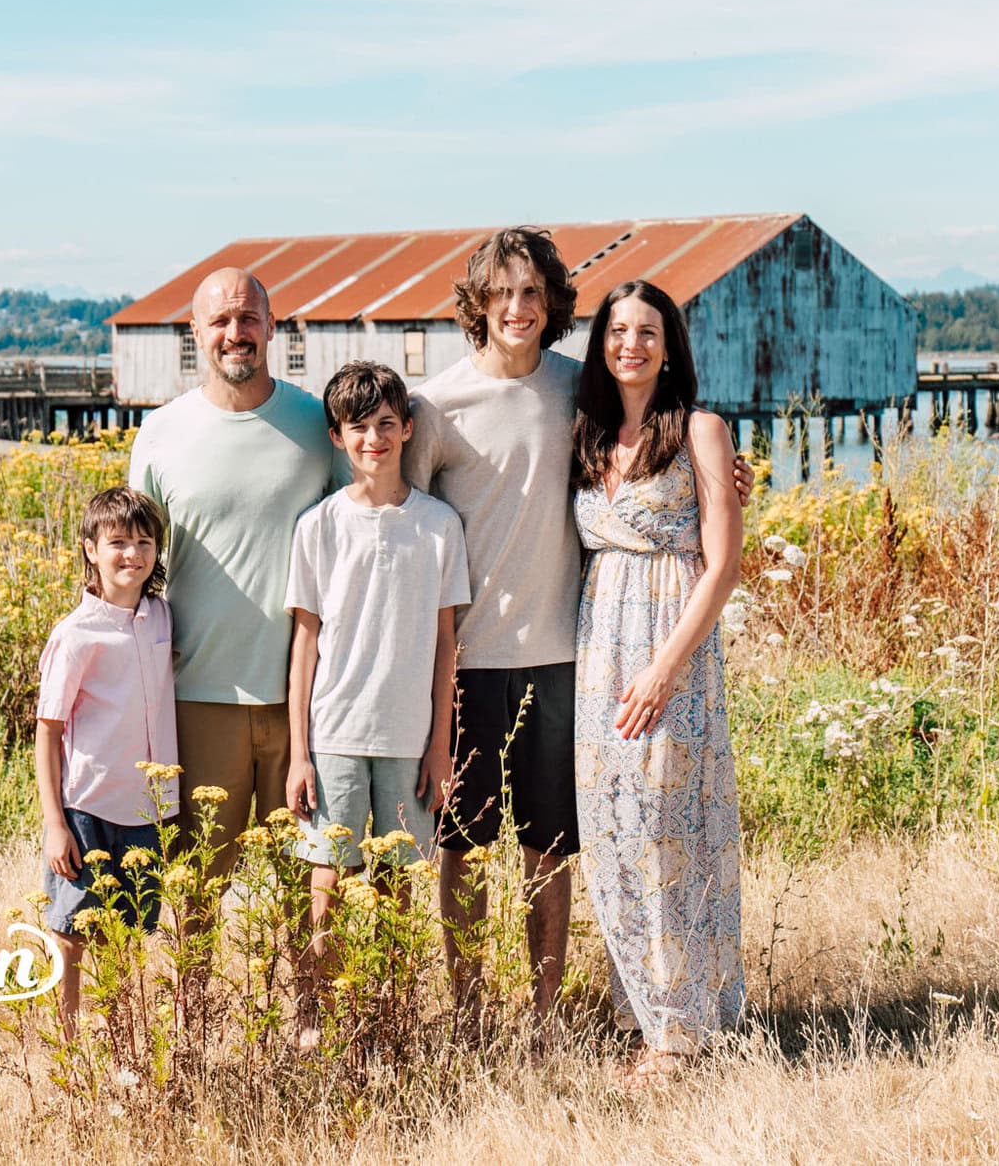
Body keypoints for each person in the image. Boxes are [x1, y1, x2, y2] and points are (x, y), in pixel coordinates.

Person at [406, 229, 755, 1026]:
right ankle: (466, 1014)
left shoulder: (581, 390)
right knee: (461, 848)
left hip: (569, 657)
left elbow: (661, 467)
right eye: (502, 293)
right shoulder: (436, 407)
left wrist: (731, 480)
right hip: (465, 662)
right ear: (478, 303)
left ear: (555, 304)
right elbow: (400, 515)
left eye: (533, 292)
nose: (518, 308)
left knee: (550, 845)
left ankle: (544, 1016)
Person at [569, 279, 744, 1084]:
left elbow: (723, 565)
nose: (630, 343)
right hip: (598, 649)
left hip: (668, 650)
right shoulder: (588, 432)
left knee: (671, 828)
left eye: (646, 331)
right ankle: (636, 1007)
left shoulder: (702, 430)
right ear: (600, 343)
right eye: (616, 330)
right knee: (613, 833)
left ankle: (681, 1034)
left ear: (670, 344)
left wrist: (665, 668)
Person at [127, 268, 338, 877]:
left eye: (248, 318)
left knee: (304, 890)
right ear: (195, 330)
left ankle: (306, 983)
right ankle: (193, 983)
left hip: (305, 700)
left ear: (272, 326)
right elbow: (132, 566)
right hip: (196, 696)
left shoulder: (318, 426)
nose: (235, 332)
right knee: (194, 890)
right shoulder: (161, 433)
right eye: (219, 320)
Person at [283, 360, 469, 1039]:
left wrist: (440, 744)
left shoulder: (439, 525)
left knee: (396, 883)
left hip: (407, 734)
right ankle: (317, 1015)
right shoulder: (320, 526)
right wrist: (299, 752)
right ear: (338, 436)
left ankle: (389, 1015)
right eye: (359, 426)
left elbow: (447, 643)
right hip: (333, 728)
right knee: (329, 879)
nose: (374, 439)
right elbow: (304, 643)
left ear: (408, 429)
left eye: (387, 424)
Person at [34, 485, 181, 1036]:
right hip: (87, 807)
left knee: (127, 933)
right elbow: (47, 734)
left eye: (145, 542)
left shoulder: (163, 617)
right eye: (117, 541)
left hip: (147, 811)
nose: (132, 554)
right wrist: (56, 825)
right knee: (72, 928)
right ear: (90, 549)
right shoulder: (75, 635)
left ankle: (122, 1039)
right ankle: (66, 1039)